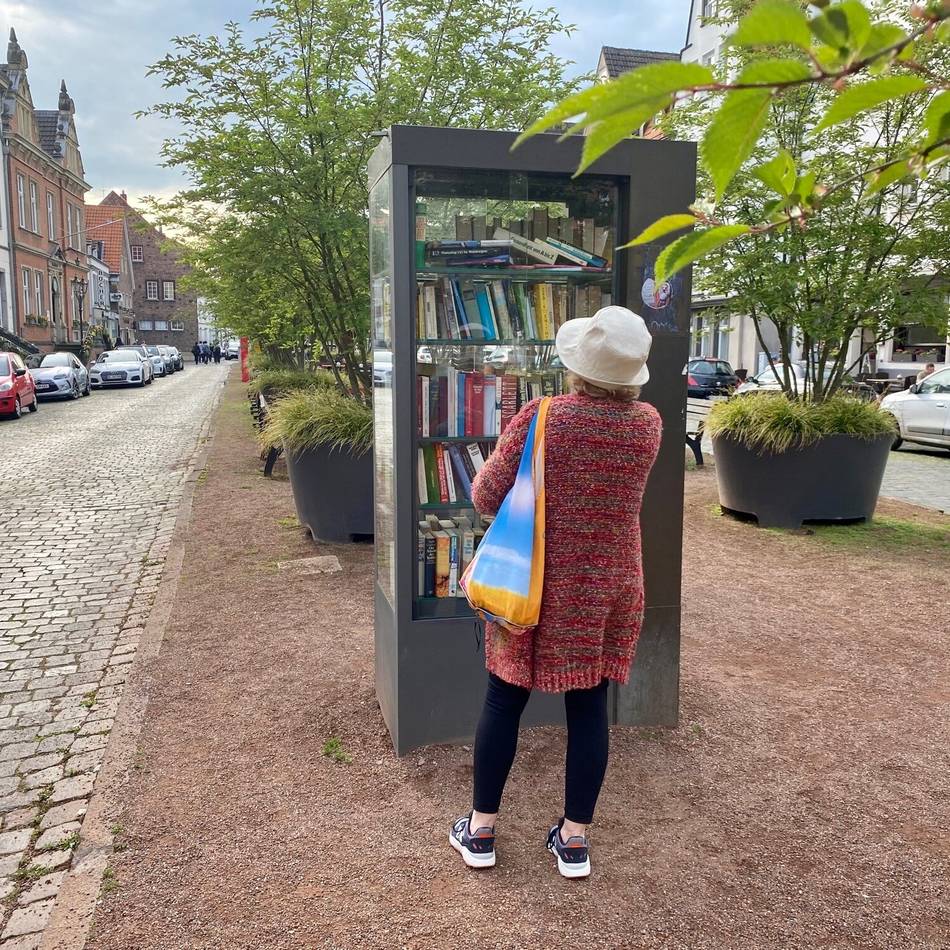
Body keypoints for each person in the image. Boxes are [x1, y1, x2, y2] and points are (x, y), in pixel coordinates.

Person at [449, 306, 662, 880]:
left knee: (503, 701)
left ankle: (482, 831)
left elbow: (487, 495)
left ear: (577, 366)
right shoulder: (648, 424)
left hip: (534, 583)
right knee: (589, 708)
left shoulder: (544, 417)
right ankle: (573, 843)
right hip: (606, 587)